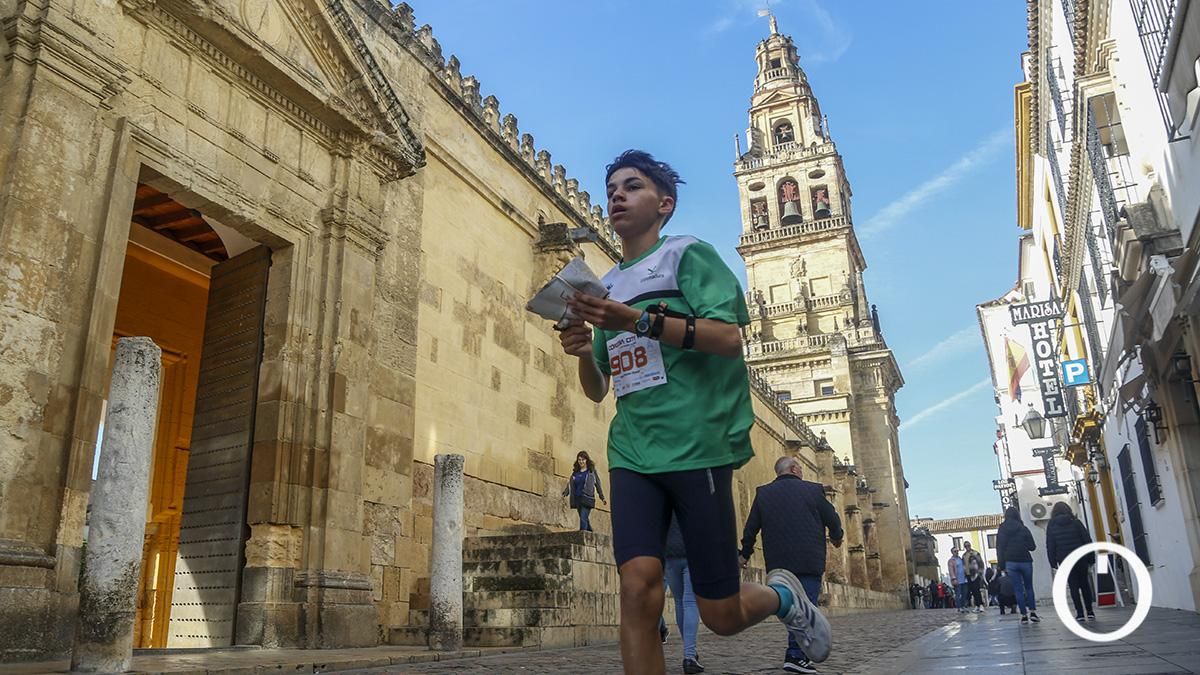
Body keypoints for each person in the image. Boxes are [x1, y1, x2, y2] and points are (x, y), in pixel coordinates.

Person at [558, 150, 831, 675]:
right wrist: (580, 349)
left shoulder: (687, 255)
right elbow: (597, 387)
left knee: (721, 614)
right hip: (633, 451)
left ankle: (783, 597)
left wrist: (637, 321)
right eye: (612, 186)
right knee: (637, 588)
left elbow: (728, 338)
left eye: (632, 186)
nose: (617, 194)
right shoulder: (604, 285)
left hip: (697, 447)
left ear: (665, 204)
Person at [739, 457, 844, 673]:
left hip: (779, 564)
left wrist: (745, 554)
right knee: (804, 607)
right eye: (801, 468)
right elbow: (832, 518)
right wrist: (837, 536)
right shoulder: (813, 491)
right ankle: (795, 656)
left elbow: (750, 529)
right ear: (795, 469)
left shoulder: (763, 493)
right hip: (808, 560)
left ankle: (795, 655)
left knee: (794, 607)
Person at [656, 514, 704, 673]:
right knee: (690, 602)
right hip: (692, 551)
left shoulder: (663, 492)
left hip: (669, 553)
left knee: (679, 602)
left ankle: (690, 651)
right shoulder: (694, 492)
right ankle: (689, 655)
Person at [1045, 501, 1096, 621]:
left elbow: (1050, 545)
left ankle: (1080, 614)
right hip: (1080, 557)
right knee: (1084, 584)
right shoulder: (1076, 522)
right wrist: (1091, 557)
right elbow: (1087, 539)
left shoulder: (1051, 526)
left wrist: (1052, 562)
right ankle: (1090, 611)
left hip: (1065, 559)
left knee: (1073, 586)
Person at [996, 506, 1040, 623]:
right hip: (1025, 560)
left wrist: (1001, 564)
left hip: (1011, 562)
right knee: (1029, 587)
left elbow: (999, 548)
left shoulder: (1002, 529)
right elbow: (1032, 546)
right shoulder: (1023, 528)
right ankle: (1033, 612)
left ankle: (1024, 615)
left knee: (1018, 589)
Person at [562, 451, 606, 531]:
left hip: (587, 498)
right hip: (577, 499)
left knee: (583, 518)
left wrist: (602, 497)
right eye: (579, 460)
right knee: (584, 519)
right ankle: (591, 535)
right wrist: (566, 492)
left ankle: (582, 538)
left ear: (586, 460)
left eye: (583, 460)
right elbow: (571, 483)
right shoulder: (575, 472)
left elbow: (598, 485)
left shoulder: (591, 472)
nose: (581, 461)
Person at [963, 542, 986, 613]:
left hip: (975, 574)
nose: (967, 547)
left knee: (977, 590)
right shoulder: (964, 555)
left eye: (968, 545)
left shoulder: (975, 553)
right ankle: (977, 605)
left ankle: (981, 605)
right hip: (968, 574)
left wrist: (980, 573)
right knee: (973, 591)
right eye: (966, 546)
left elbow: (981, 563)